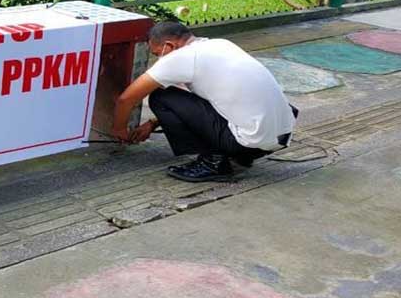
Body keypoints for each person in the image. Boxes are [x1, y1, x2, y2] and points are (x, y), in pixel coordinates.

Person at [111, 21, 297, 183]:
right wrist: (152, 123)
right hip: (279, 136)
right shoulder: (221, 44)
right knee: (192, 96)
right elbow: (202, 102)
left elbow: (126, 99)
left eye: (156, 53)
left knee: (161, 97)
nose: (158, 58)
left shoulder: (179, 58)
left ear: (169, 46)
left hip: (249, 141)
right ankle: (239, 155)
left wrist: (119, 130)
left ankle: (212, 162)